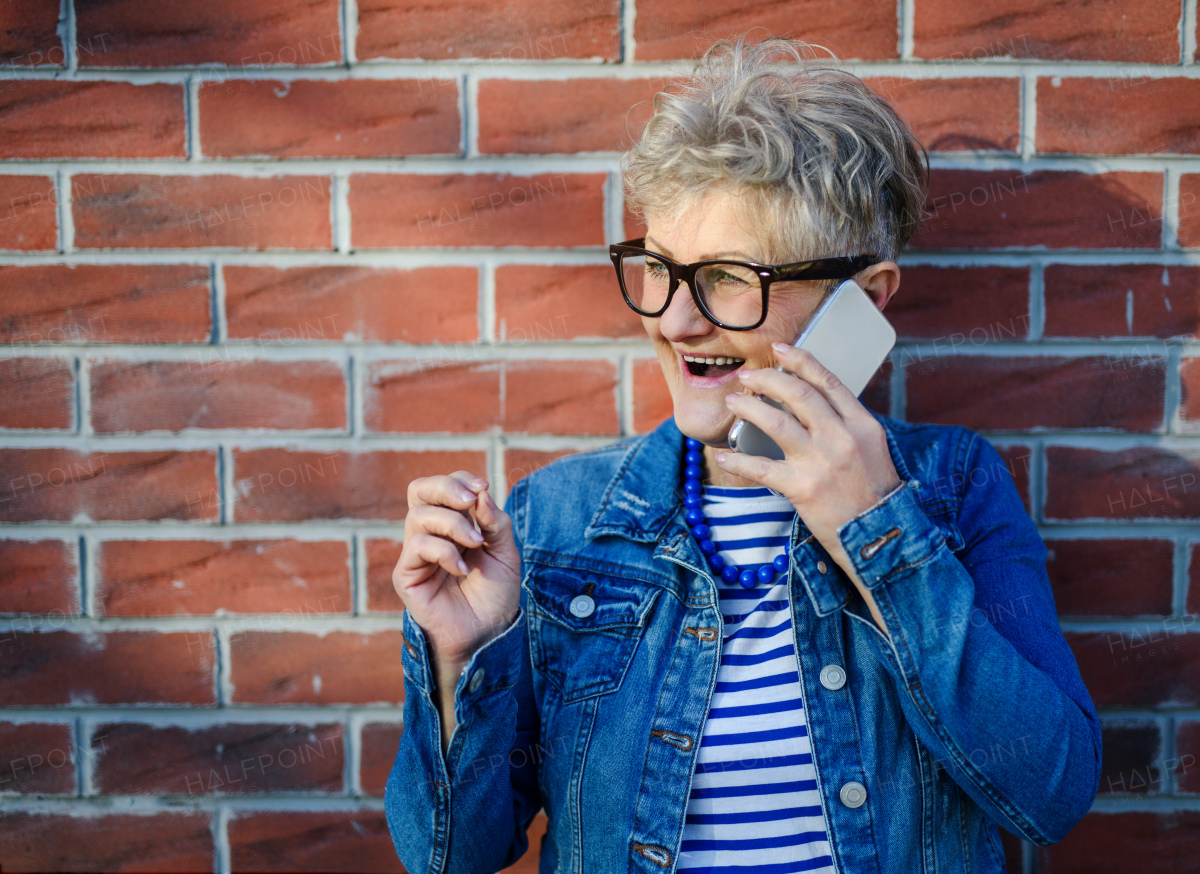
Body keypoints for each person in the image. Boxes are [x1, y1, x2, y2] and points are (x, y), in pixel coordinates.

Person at [386, 36, 1101, 874]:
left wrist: (878, 532)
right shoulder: (556, 523)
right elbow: (448, 858)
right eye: (659, 269)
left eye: (727, 277)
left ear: (862, 302)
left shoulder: (951, 490)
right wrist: (461, 660)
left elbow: (1049, 793)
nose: (676, 323)